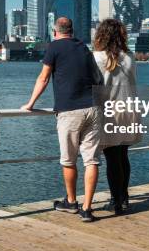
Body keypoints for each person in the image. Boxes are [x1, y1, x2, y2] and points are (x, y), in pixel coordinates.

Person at [21, 17, 103, 222]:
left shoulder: (54, 47)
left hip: (70, 110)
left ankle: (72, 203)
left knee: (68, 160)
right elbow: (98, 79)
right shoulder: (84, 47)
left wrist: (30, 104)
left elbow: (43, 77)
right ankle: (87, 209)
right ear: (72, 31)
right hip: (93, 108)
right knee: (91, 160)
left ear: (55, 32)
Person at [93, 18, 141, 215]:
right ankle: (124, 196)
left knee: (112, 157)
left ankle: (116, 201)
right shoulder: (129, 56)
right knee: (122, 155)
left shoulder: (96, 57)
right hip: (129, 110)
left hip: (110, 111)